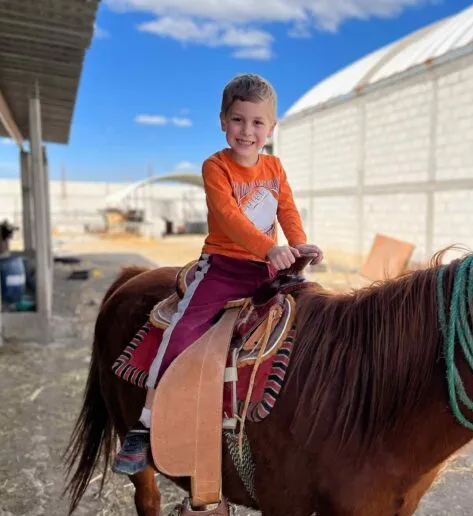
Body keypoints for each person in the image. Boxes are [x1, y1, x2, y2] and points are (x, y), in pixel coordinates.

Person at [113, 73, 323, 475]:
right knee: (182, 330)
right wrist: (270, 247)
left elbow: (287, 210)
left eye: (257, 122)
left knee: (314, 316)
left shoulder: (275, 167)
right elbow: (228, 218)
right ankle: (145, 423)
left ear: (271, 128)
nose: (247, 131)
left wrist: (299, 245)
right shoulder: (216, 167)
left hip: (269, 267)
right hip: (224, 268)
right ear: (223, 121)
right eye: (238, 120)